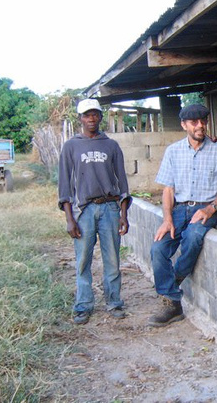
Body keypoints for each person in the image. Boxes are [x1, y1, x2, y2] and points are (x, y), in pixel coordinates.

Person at [148, 103, 217, 327]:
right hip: (179, 209)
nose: (200, 125)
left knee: (194, 236)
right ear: (184, 125)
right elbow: (168, 189)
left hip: (206, 208)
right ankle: (173, 304)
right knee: (158, 248)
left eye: (203, 121)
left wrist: (210, 209)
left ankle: (173, 283)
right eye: (194, 122)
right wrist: (167, 219)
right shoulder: (173, 151)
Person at [58, 98, 131, 325]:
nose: (91, 118)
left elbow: (123, 183)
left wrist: (123, 215)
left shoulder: (111, 145)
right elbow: (64, 186)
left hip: (110, 208)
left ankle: (114, 302)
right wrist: (70, 219)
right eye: (87, 115)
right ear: (80, 118)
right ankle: (83, 305)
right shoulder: (71, 146)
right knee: (83, 261)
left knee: (113, 259)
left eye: (95, 114)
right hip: (84, 211)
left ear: (100, 117)